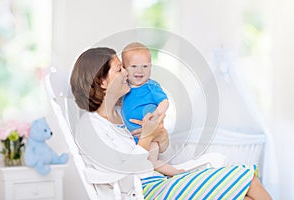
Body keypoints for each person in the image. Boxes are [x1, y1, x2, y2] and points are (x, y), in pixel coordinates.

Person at [70, 47, 272, 199]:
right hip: (144, 192)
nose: (126, 73)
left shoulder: (119, 115)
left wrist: (158, 135)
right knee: (247, 179)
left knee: (245, 195)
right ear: (102, 82)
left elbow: (152, 156)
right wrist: (147, 136)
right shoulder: (92, 126)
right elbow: (124, 173)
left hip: (157, 181)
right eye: (119, 69)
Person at [121, 42, 184, 177]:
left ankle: (178, 174)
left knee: (151, 162)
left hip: (151, 136)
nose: (140, 70)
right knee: (141, 164)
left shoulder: (151, 86)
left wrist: (156, 115)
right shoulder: (124, 87)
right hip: (133, 140)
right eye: (134, 66)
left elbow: (164, 102)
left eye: (145, 66)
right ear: (124, 68)